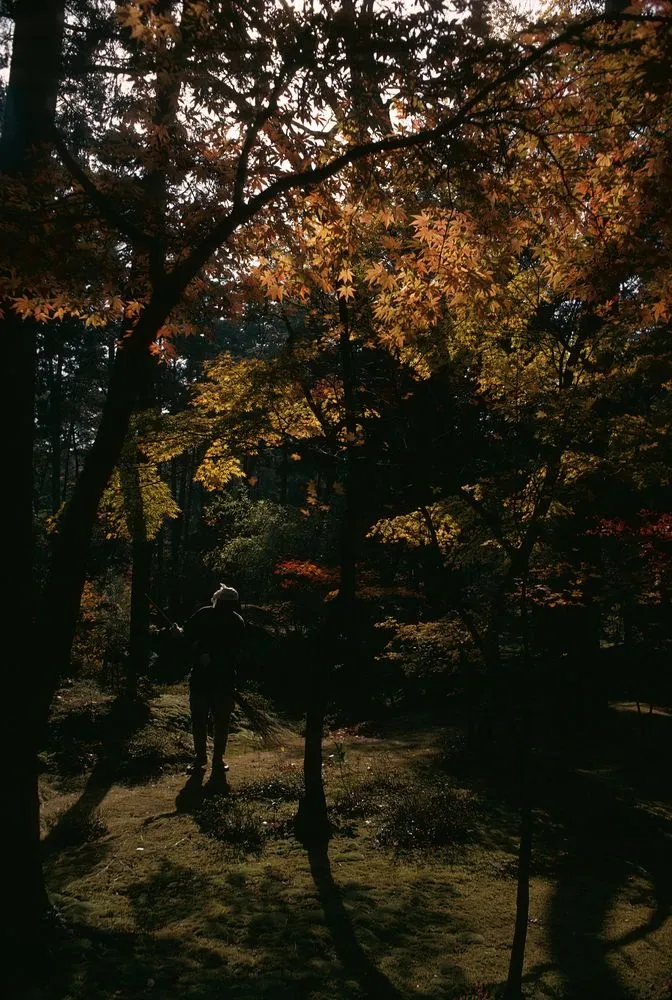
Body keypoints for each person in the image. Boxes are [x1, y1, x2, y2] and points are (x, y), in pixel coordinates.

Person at [174, 583, 246, 775]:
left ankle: (215, 759)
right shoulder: (206, 615)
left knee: (219, 721)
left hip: (223, 680)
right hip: (204, 679)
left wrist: (208, 656)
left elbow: (233, 651)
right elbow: (187, 635)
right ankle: (203, 758)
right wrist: (179, 633)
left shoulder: (235, 622)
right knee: (201, 720)